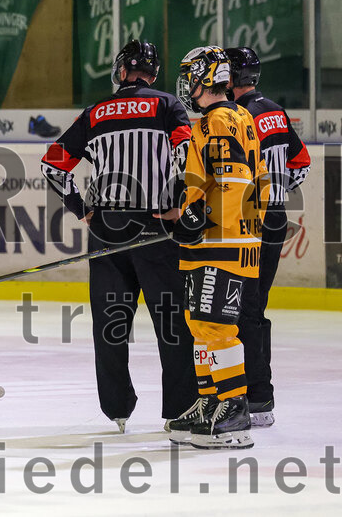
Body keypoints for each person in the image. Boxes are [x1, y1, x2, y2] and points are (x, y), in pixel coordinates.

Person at [40, 39, 196, 433]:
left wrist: (84, 211)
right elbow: (187, 156)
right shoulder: (167, 105)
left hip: (107, 227)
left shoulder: (96, 112)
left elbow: (53, 166)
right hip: (156, 226)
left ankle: (118, 409)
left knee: (110, 325)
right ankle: (179, 410)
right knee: (172, 323)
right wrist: (178, 203)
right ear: (153, 73)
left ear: (122, 71)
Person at [163, 45, 268, 450]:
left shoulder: (220, 118)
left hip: (222, 240)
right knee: (201, 324)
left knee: (216, 326)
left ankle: (233, 408)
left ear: (203, 78)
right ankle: (210, 401)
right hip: (217, 239)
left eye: (190, 74)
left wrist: (199, 215)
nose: (185, 82)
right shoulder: (233, 116)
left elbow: (235, 176)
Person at [226, 46, 310, 427]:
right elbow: (301, 161)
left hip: (249, 220)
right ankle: (259, 395)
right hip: (274, 218)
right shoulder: (275, 110)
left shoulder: (240, 116)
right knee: (254, 308)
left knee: (243, 309)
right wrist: (279, 192)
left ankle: (256, 396)